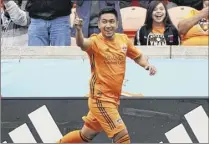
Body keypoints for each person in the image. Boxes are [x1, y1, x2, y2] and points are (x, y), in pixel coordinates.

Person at [57, 8, 157, 143]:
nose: (108, 25)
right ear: (98, 24)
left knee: (85, 135)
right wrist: (79, 30)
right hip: (100, 99)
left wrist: (147, 65)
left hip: (113, 99)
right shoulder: (95, 42)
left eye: (111, 21)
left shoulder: (123, 40)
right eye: (104, 22)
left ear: (117, 24)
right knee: (122, 137)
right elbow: (81, 44)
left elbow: (137, 56)